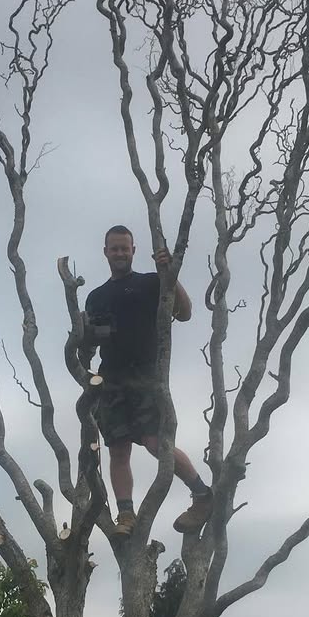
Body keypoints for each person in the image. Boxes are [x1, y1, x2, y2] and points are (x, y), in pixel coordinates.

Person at [84, 225, 214, 536]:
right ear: (105, 252)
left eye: (124, 248)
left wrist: (168, 274)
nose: (119, 253)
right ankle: (126, 516)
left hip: (146, 376)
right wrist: (82, 343)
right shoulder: (96, 297)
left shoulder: (150, 283)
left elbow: (184, 313)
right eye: (113, 248)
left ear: (133, 250)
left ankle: (203, 495)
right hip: (111, 379)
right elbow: (88, 342)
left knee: (157, 444)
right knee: (117, 449)